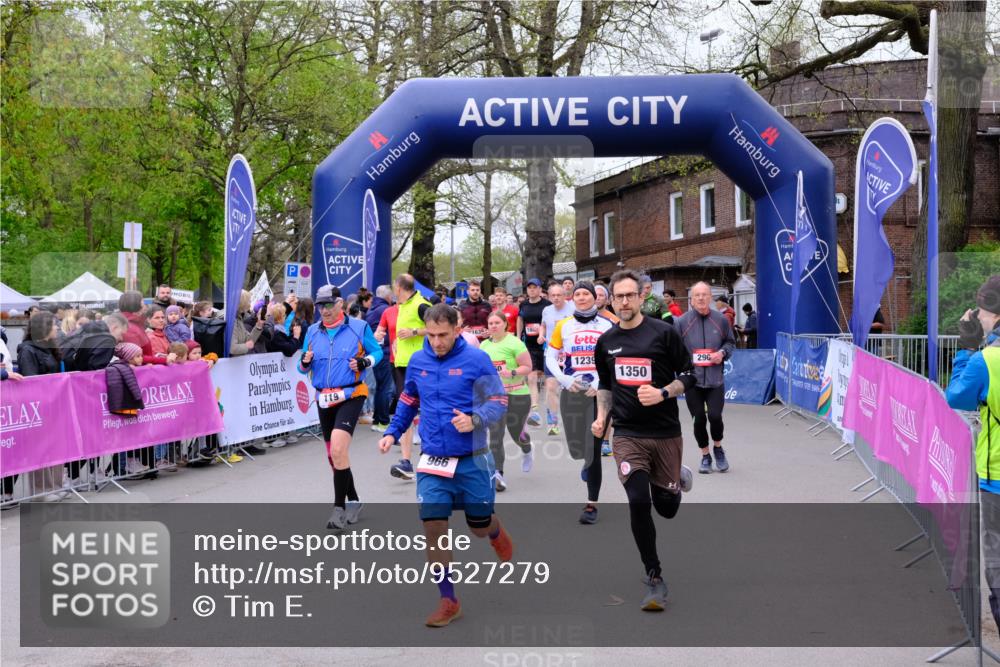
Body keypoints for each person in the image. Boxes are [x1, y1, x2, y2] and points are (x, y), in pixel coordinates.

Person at [377, 304, 512, 628]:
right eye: (432, 334)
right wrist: (393, 432)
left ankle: (492, 529)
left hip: (472, 458)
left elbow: (498, 400)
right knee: (434, 529)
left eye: (444, 335)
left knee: (477, 527)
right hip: (433, 459)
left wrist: (476, 419)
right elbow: (409, 398)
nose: (437, 342)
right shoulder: (419, 360)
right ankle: (448, 599)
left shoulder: (476, 360)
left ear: (457, 328)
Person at [593, 269, 696, 610]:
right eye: (618, 296)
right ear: (611, 299)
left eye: (629, 295)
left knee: (666, 509)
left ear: (641, 297)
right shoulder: (605, 342)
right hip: (627, 434)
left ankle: (675, 479)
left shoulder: (664, 333)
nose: (624, 301)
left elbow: (689, 375)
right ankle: (654, 576)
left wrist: (664, 392)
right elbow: (606, 386)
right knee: (638, 500)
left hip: (665, 432)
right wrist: (601, 418)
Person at [300, 284, 383, 529]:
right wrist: (305, 363)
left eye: (327, 305)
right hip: (323, 398)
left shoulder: (359, 327)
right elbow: (302, 367)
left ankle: (339, 510)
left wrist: (363, 361)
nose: (323, 311)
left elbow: (377, 352)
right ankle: (354, 499)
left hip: (351, 393)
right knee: (335, 455)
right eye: (319, 306)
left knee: (338, 448)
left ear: (340, 304)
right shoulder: (313, 331)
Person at [945, 275, 1000, 633]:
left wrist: (967, 348)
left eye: (981, 311)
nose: (977, 317)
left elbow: (957, 398)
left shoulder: (986, 360)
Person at [545, 282, 617, 524]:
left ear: (595, 298)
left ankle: (591, 505)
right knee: (578, 449)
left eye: (587, 293)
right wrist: (563, 379)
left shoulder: (608, 325)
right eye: (578, 294)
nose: (583, 297)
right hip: (572, 389)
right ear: (572, 297)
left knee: (594, 447)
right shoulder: (563, 326)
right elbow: (550, 355)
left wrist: (600, 380)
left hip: (599, 393)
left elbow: (615, 357)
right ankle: (586, 461)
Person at [676, 282, 736, 474]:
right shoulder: (682, 322)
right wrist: (683, 366)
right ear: (691, 299)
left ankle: (718, 448)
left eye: (704, 295)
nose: (701, 298)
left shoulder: (721, 320)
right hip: (692, 381)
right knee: (698, 419)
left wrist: (722, 353)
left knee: (715, 416)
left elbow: (730, 343)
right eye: (697, 295)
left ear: (710, 298)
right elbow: (675, 349)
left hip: (715, 380)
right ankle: (705, 455)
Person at [385, 274, 433, 480]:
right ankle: (406, 462)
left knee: (426, 410)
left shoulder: (421, 304)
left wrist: (414, 331)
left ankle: (429, 455)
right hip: (402, 365)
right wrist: (398, 343)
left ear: (399, 287)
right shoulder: (402, 305)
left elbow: (437, 327)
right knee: (404, 409)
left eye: (394, 285)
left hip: (422, 365)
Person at [481, 310, 534, 491]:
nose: (493, 326)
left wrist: (511, 372)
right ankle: (498, 474)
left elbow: (528, 367)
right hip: (495, 398)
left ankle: (527, 449)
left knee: (516, 433)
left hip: (518, 394)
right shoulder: (484, 346)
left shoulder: (515, 343)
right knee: (495, 437)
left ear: (505, 324)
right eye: (490, 323)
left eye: (497, 323)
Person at [539, 282, 575, 436]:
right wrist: (541, 334)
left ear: (565, 295)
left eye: (559, 295)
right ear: (549, 296)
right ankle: (553, 421)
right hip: (551, 354)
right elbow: (543, 326)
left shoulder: (573, 308)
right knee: (551, 386)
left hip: (569, 355)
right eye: (552, 295)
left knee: (572, 389)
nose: (556, 298)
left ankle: (574, 419)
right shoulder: (546, 310)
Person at [516, 278, 550, 427]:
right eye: (529, 288)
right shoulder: (524, 304)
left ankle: (551, 411)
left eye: (534, 287)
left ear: (540, 289)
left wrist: (545, 334)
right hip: (529, 345)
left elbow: (552, 322)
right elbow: (520, 320)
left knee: (545, 378)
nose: (532, 290)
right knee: (531, 377)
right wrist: (518, 337)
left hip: (544, 345)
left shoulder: (547, 305)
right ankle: (534, 410)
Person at [118, 291, 171, 366]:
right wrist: (164, 359)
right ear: (135, 305)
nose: (145, 307)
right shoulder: (129, 327)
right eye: (142, 303)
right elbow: (136, 357)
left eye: (163, 317)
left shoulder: (133, 323)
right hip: (140, 372)